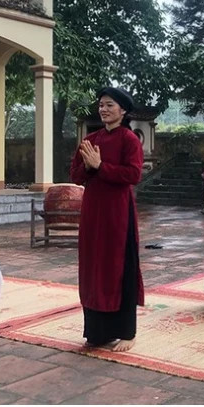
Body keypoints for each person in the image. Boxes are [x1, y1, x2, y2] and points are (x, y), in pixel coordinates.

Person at [70, 87, 144, 352]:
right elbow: (76, 176)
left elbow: (133, 175)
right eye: (101, 105)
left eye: (109, 105)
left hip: (117, 212)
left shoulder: (129, 139)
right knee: (93, 267)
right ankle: (97, 332)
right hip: (93, 211)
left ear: (123, 110)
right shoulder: (90, 140)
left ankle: (126, 331)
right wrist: (89, 166)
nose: (103, 109)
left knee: (118, 266)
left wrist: (102, 167)